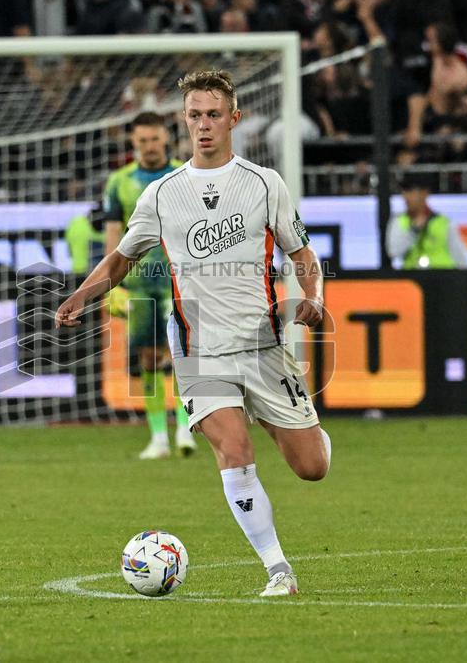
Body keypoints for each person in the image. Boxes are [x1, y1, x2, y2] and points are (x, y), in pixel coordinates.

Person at [56, 70, 331, 596]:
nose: (203, 125)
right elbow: (120, 259)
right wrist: (80, 296)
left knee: (311, 467)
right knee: (233, 450)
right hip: (197, 345)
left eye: (212, 114)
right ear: (184, 120)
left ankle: (299, 431)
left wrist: (314, 299)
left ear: (233, 118)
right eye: (194, 115)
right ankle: (279, 571)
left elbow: (302, 254)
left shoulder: (263, 183)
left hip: (262, 343)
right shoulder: (161, 195)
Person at [103, 111, 196, 460]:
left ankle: (186, 428)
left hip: (179, 279)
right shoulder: (119, 182)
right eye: (143, 140)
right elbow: (113, 234)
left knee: (184, 353)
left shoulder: (184, 175)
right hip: (139, 283)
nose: (150, 146)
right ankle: (158, 437)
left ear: (166, 139)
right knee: (148, 358)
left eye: (155, 139)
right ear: (133, 142)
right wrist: (110, 284)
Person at [386, 172, 467, 269]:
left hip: (444, 278)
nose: (406, 197)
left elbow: (460, 258)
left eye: (411, 191)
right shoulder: (399, 221)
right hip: (413, 280)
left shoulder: (444, 222)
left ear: (424, 193)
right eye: (404, 191)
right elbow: (393, 251)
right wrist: (413, 230)